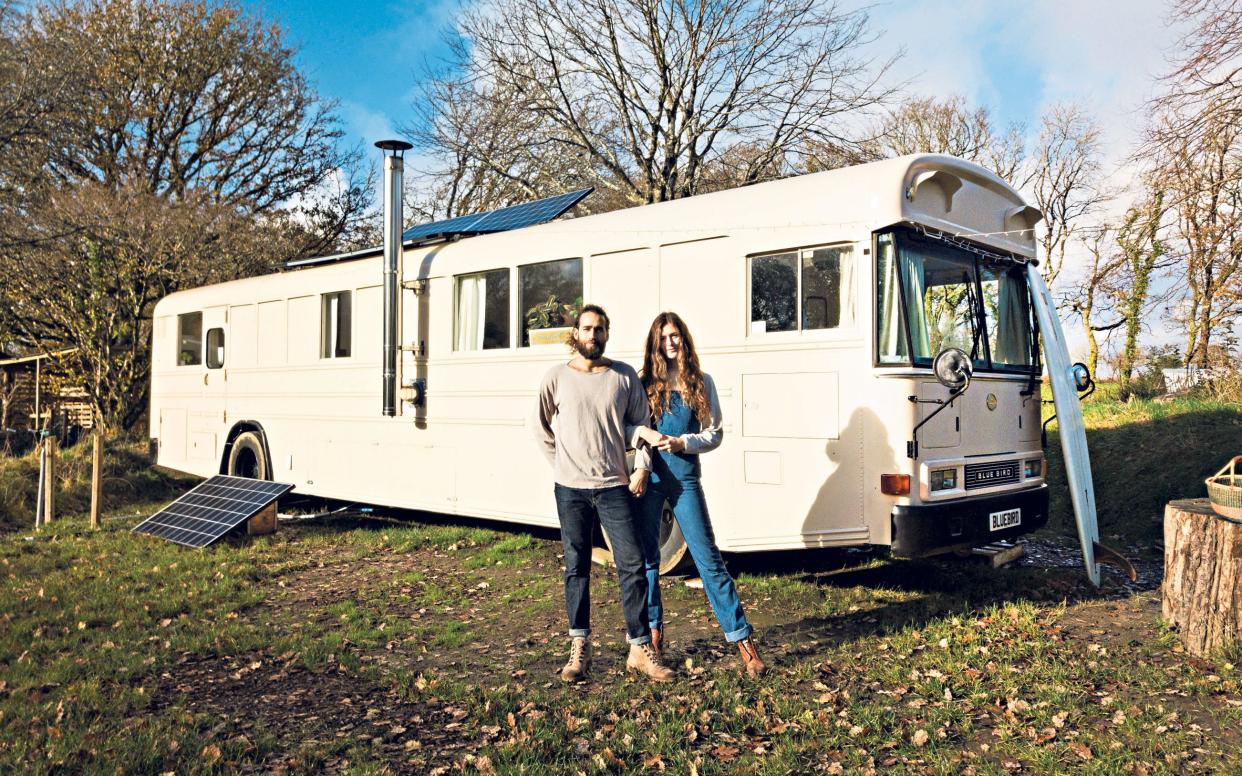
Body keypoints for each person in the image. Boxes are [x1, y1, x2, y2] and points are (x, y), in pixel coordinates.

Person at [533, 304, 675, 683]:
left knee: (632, 565)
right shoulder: (556, 377)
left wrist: (642, 468)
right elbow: (541, 426)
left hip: (614, 486)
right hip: (571, 489)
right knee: (576, 568)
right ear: (575, 333)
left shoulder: (623, 376)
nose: (592, 335)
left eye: (599, 329)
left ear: (607, 333)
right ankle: (580, 648)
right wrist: (562, 463)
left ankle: (640, 648)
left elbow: (641, 426)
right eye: (586, 328)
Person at [632, 311, 766, 677]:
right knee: (649, 562)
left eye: (675, 335)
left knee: (709, 561)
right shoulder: (645, 384)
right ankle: (653, 638)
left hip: (686, 479)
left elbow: (715, 432)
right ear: (655, 344)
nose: (670, 343)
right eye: (664, 338)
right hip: (651, 481)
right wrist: (641, 468)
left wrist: (683, 442)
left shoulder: (700, 382)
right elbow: (640, 431)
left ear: (684, 338)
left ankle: (743, 641)